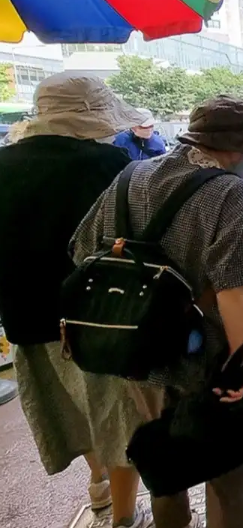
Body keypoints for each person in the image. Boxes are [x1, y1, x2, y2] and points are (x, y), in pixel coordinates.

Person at [72, 95, 243, 528]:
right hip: (209, 356)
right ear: (238, 148)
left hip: (137, 355)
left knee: (165, 464)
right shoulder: (228, 190)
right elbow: (233, 289)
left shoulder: (131, 175)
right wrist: (240, 366)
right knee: (228, 468)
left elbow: (81, 250)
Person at [0, 72, 151, 527]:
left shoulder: (2, 164)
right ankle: (125, 516)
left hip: (27, 318)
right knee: (118, 419)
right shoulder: (106, 163)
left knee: (70, 412)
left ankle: (98, 485)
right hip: (100, 319)